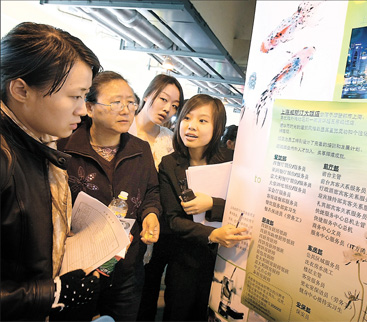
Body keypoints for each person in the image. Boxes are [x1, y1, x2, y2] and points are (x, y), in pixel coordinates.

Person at [0, 22, 102, 320]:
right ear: (21, 90)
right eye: (74, 96)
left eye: (85, 96)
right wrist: (52, 294)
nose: (82, 110)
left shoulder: (38, 144)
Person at [57, 71, 162, 321]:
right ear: (90, 107)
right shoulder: (65, 148)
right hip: (79, 267)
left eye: (130, 102)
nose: (126, 110)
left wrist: (150, 215)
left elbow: (151, 191)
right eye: (116, 102)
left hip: (126, 268)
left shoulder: (140, 150)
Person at [158, 94, 251, 321]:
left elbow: (245, 206)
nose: (191, 126)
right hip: (184, 262)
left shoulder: (231, 161)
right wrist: (212, 234)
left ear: (217, 127)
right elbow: (172, 219)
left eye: (202, 120)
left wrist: (212, 203)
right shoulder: (170, 164)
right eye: (187, 118)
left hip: (225, 259)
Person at [132, 74, 184, 321]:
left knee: (146, 292)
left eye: (175, 105)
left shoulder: (170, 140)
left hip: (154, 227)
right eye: (163, 99)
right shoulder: (124, 127)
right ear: (147, 94)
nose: (168, 109)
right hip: (120, 220)